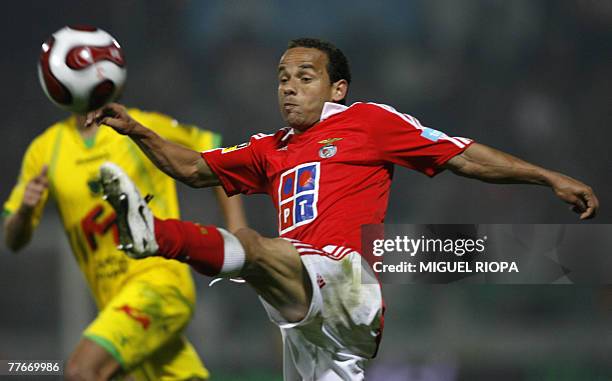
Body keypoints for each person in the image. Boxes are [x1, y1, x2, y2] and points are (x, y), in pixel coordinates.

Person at [89, 38, 599, 380]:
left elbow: (460, 155)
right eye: (282, 77)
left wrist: (546, 176)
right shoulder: (269, 148)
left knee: (254, 247)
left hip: (351, 286)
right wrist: (137, 130)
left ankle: (156, 235)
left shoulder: (368, 122)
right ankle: (162, 235)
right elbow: (195, 168)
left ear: (337, 88)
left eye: (304, 76)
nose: (289, 85)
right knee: (263, 258)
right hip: (308, 321)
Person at [3, 107, 247, 380]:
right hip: (114, 303)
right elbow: (13, 240)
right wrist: (25, 210)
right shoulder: (45, 149)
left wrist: (238, 229)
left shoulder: (138, 125)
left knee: (82, 370)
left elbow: (216, 152)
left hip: (159, 283)